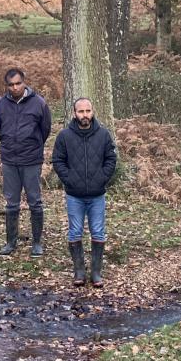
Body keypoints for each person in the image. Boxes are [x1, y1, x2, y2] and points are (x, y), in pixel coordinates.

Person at [50, 96, 117, 288]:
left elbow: (111, 160)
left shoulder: (103, 135)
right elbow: (58, 161)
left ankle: (96, 272)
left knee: (98, 231)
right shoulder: (64, 136)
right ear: (74, 113)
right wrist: (70, 180)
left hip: (97, 195)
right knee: (75, 232)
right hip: (74, 195)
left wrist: (101, 178)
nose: (85, 115)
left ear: (93, 112)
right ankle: (79, 272)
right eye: (81, 111)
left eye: (88, 111)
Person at [0, 67, 52, 256]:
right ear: (6, 86)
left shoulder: (39, 103)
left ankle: (36, 243)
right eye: (11, 85)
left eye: (18, 83)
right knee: (11, 203)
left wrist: (33, 146)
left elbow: (45, 129)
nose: (15, 87)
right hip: (9, 159)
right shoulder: (0, 105)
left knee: (35, 201)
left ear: (24, 82)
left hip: (31, 160)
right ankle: (11, 242)